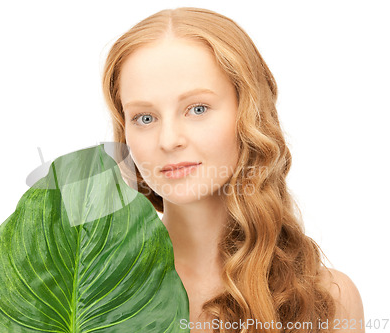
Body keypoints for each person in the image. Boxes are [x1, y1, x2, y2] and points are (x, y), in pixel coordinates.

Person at [101, 7, 364, 333]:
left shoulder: (327, 300)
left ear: (248, 115)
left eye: (197, 109)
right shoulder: (94, 291)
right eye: (145, 117)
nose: (168, 140)